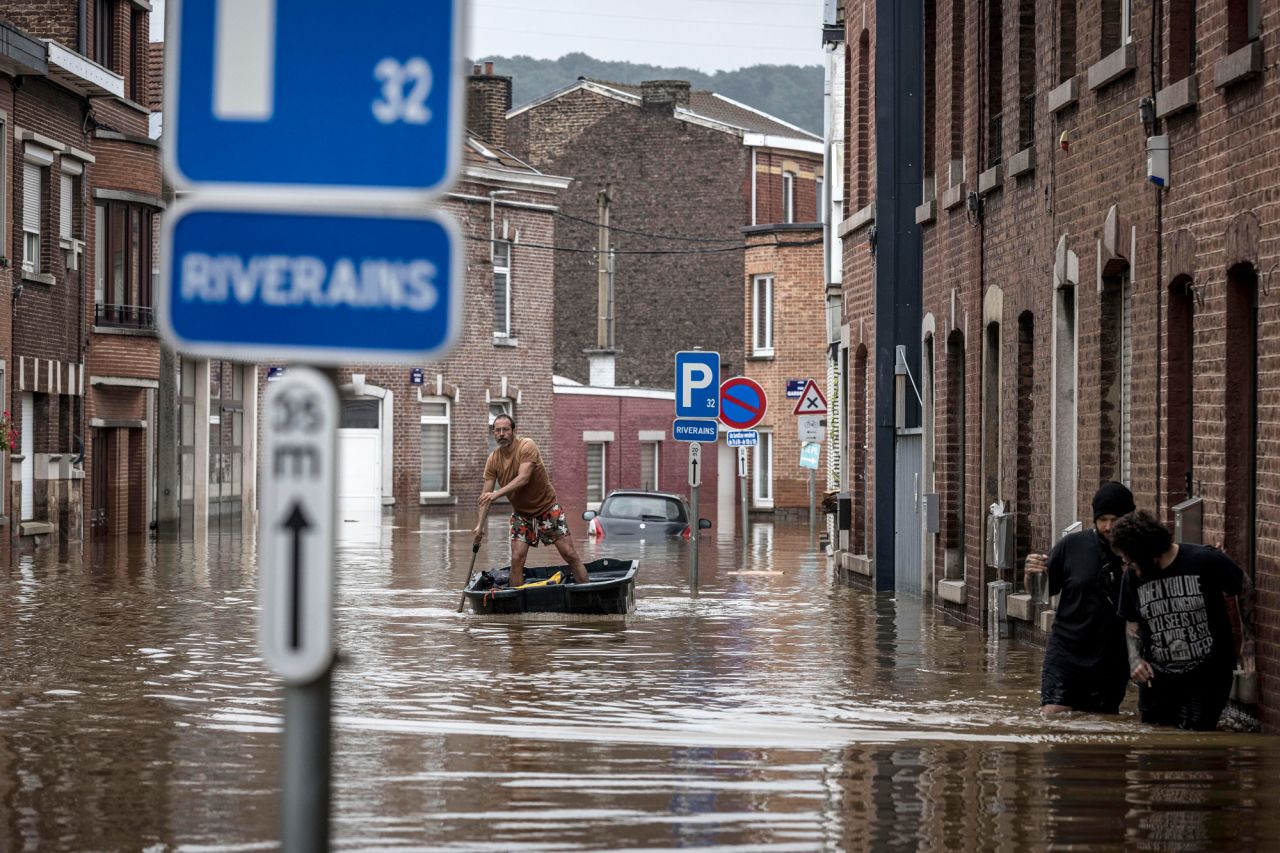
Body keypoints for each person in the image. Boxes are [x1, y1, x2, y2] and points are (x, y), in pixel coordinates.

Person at [1112, 510, 1256, 730]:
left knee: (1195, 743)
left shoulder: (1204, 560)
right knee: (1154, 745)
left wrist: (1248, 643)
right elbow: (1132, 621)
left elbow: (1243, 586)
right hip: (1157, 677)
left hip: (1208, 675)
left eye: (1130, 560)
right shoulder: (1132, 577)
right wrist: (1135, 660)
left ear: (1148, 554)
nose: (1127, 565)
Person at [1024, 482, 1135, 715]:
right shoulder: (1072, 546)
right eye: (1102, 519)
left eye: (1115, 519)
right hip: (1066, 650)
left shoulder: (1138, 554)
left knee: (1100, 722)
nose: (1108, 526)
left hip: (1111, 657)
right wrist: (1031, 575)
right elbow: (1042, 593)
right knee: (1053, 713)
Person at [473, 414, 590, 586]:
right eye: (497, 431)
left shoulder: (527, 446)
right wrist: (479, 526)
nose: (501, 434)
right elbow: (485, 497)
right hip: (522, 515)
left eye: (505, 429)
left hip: (547, 508)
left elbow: (523, 478)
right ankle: (515, 602)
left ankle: (587, 590)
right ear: (493, 434)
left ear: (514, 431)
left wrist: (497, 494)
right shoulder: (493, 459)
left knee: (569, 554)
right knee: (517, 558)